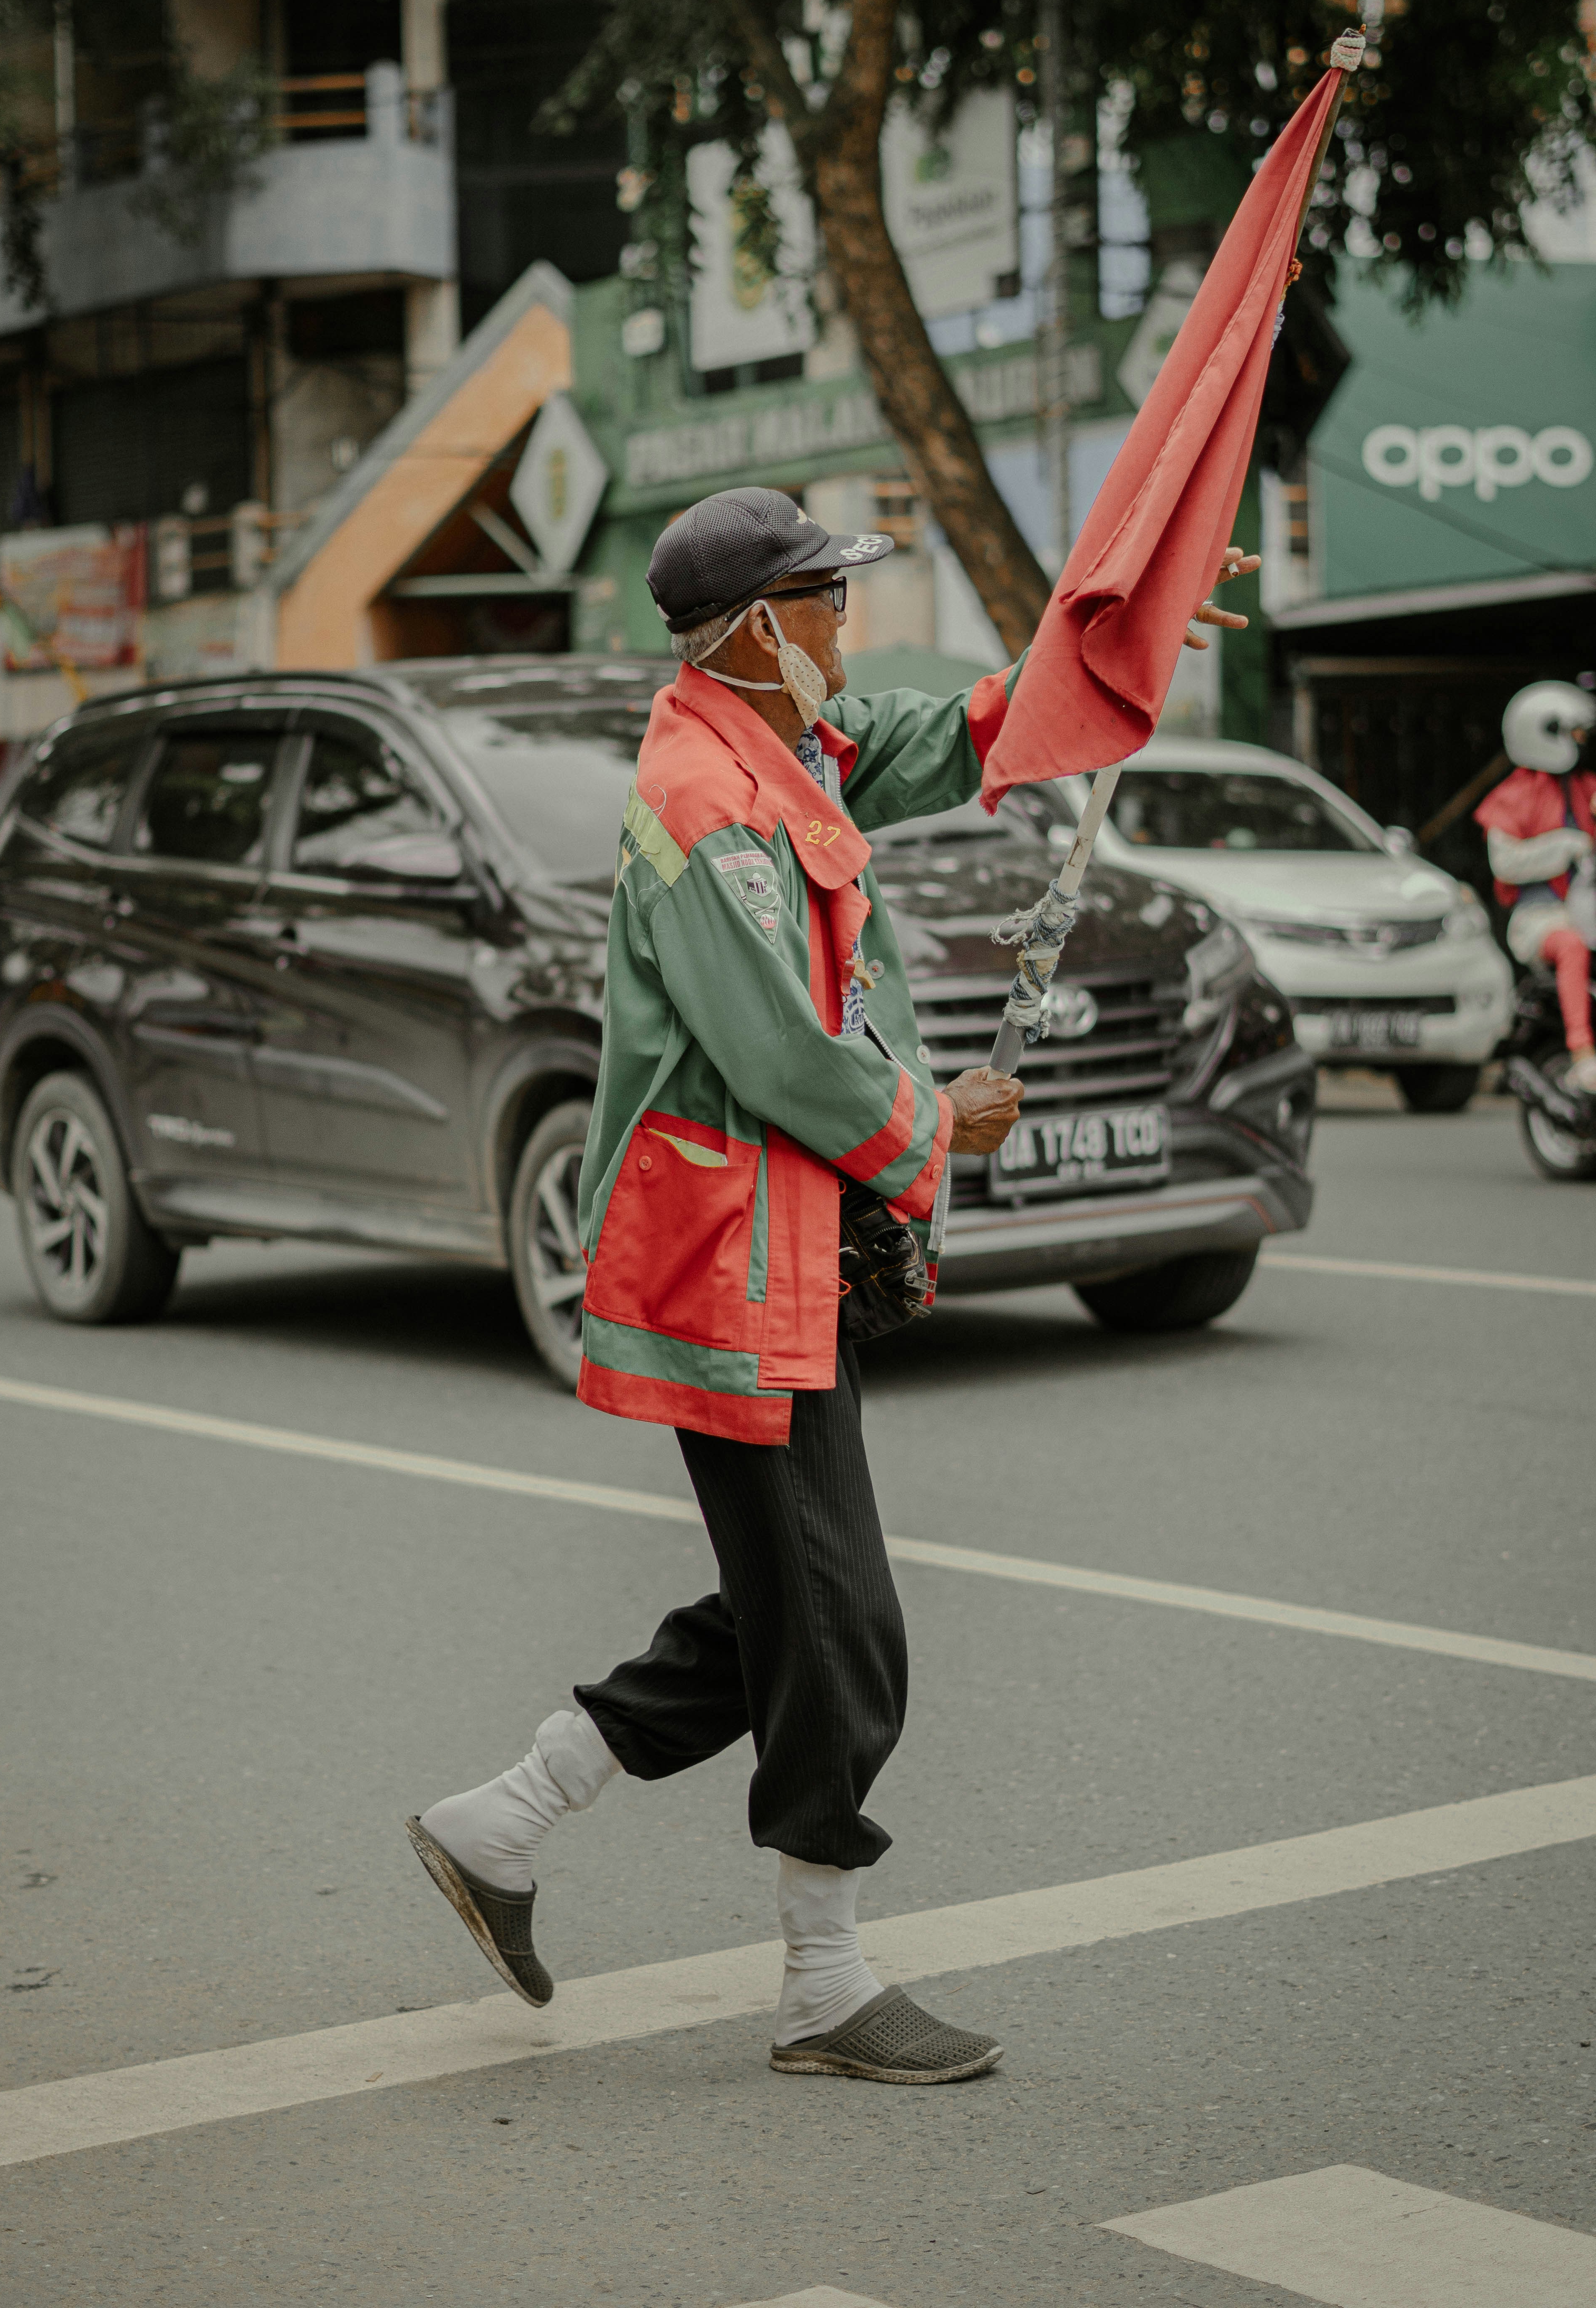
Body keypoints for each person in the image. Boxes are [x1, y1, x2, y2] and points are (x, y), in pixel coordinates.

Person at [409, 487, 1260, 2086]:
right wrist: (941, 1123)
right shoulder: (701, 794)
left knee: (784, 1606)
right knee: (838, 1618)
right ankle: (817, 1980)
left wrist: (1125, 635)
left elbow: (960, 735)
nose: (842, 629)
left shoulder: (780, 740)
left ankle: (505, 1820)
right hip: (731, 1265)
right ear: (751, 628)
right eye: (825, 602)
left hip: (777, 1250)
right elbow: (779, 1052)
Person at [1474, 681, 1596, 1094]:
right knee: (1571, 946)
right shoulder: (1513, 796)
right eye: (1574, 734)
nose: (1582, 743)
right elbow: (1505, 864)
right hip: (1539, 918)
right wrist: (1563, 847)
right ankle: (1582, 1055)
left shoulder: (1586, 787)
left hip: (1588, 909)